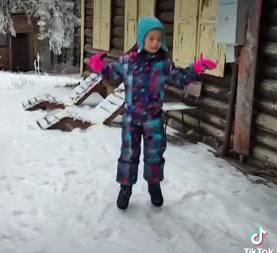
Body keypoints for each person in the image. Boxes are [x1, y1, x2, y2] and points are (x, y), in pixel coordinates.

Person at [88, 16, 217, 210]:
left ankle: (154, 185)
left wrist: (196, 69)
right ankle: (125, 188)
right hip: (131, 119)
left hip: (153, 120)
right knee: (128, 154)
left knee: (155, 155)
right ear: (142, 40)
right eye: (152, 38)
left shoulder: (164, 65)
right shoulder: (127, 62)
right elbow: (111, 74)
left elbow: (182, 78)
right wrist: (99, 66)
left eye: (159, 39)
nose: (156, 42)